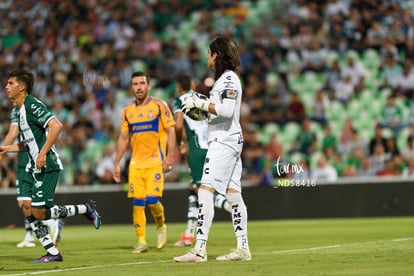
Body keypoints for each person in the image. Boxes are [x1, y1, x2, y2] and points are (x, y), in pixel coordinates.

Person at [0, 68, 102, 263]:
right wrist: (7, 148)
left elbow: (56, 125)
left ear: (22, 87)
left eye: (10, 83)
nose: (6, 86)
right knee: (28, 208)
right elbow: (27, 143)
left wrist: (43, 152)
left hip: (47, 165)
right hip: (33, 167)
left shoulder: (31, 104)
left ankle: (85, 209)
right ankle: (52, 252)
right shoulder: (20, 111)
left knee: (39, 212)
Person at [173, 36, 251, 262]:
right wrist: (204, 110)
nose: (207, 56)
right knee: (234, 195)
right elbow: (219, 111)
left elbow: (226, 110)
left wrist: (201, 104)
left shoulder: (228, 79)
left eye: (209, 52)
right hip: (229, 139)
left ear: (216, 55)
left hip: (224, 141)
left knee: (204, 190)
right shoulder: (224, 80)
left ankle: (199, 249)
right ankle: (243, 247)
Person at [112, 71, 176, 254]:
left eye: (142, 83)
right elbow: (123, 138)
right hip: (135, 165)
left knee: (152, 200)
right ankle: (141, 241)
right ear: (131, 87)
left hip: (155, 161)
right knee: (138, 202)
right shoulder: (128, 111)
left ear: (148, 86)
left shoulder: (159, 106)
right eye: (135, 84)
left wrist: (170, 156)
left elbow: (171, 131)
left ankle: (161, 225)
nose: (138, 87)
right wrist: (117, 164)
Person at [172, 75, 232, 247]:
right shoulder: (203, 98)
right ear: (192, 84)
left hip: (197, 148)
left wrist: (179, 143)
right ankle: (189, 234)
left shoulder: (179, 100)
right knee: (194, 188)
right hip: (213, 145)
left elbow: (177, 125)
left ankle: (229, 206)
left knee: (201, 189)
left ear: (178, 87)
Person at [1, 106, 64, 248]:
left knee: (28, 203)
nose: (7, 87)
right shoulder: (22, 108)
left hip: (28, 160)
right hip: (26, 157)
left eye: (11, 83)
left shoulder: (22, 108)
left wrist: (3, 149)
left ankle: (51, 221)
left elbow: (12, 133)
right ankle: (31, 235)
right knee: (24, 203)